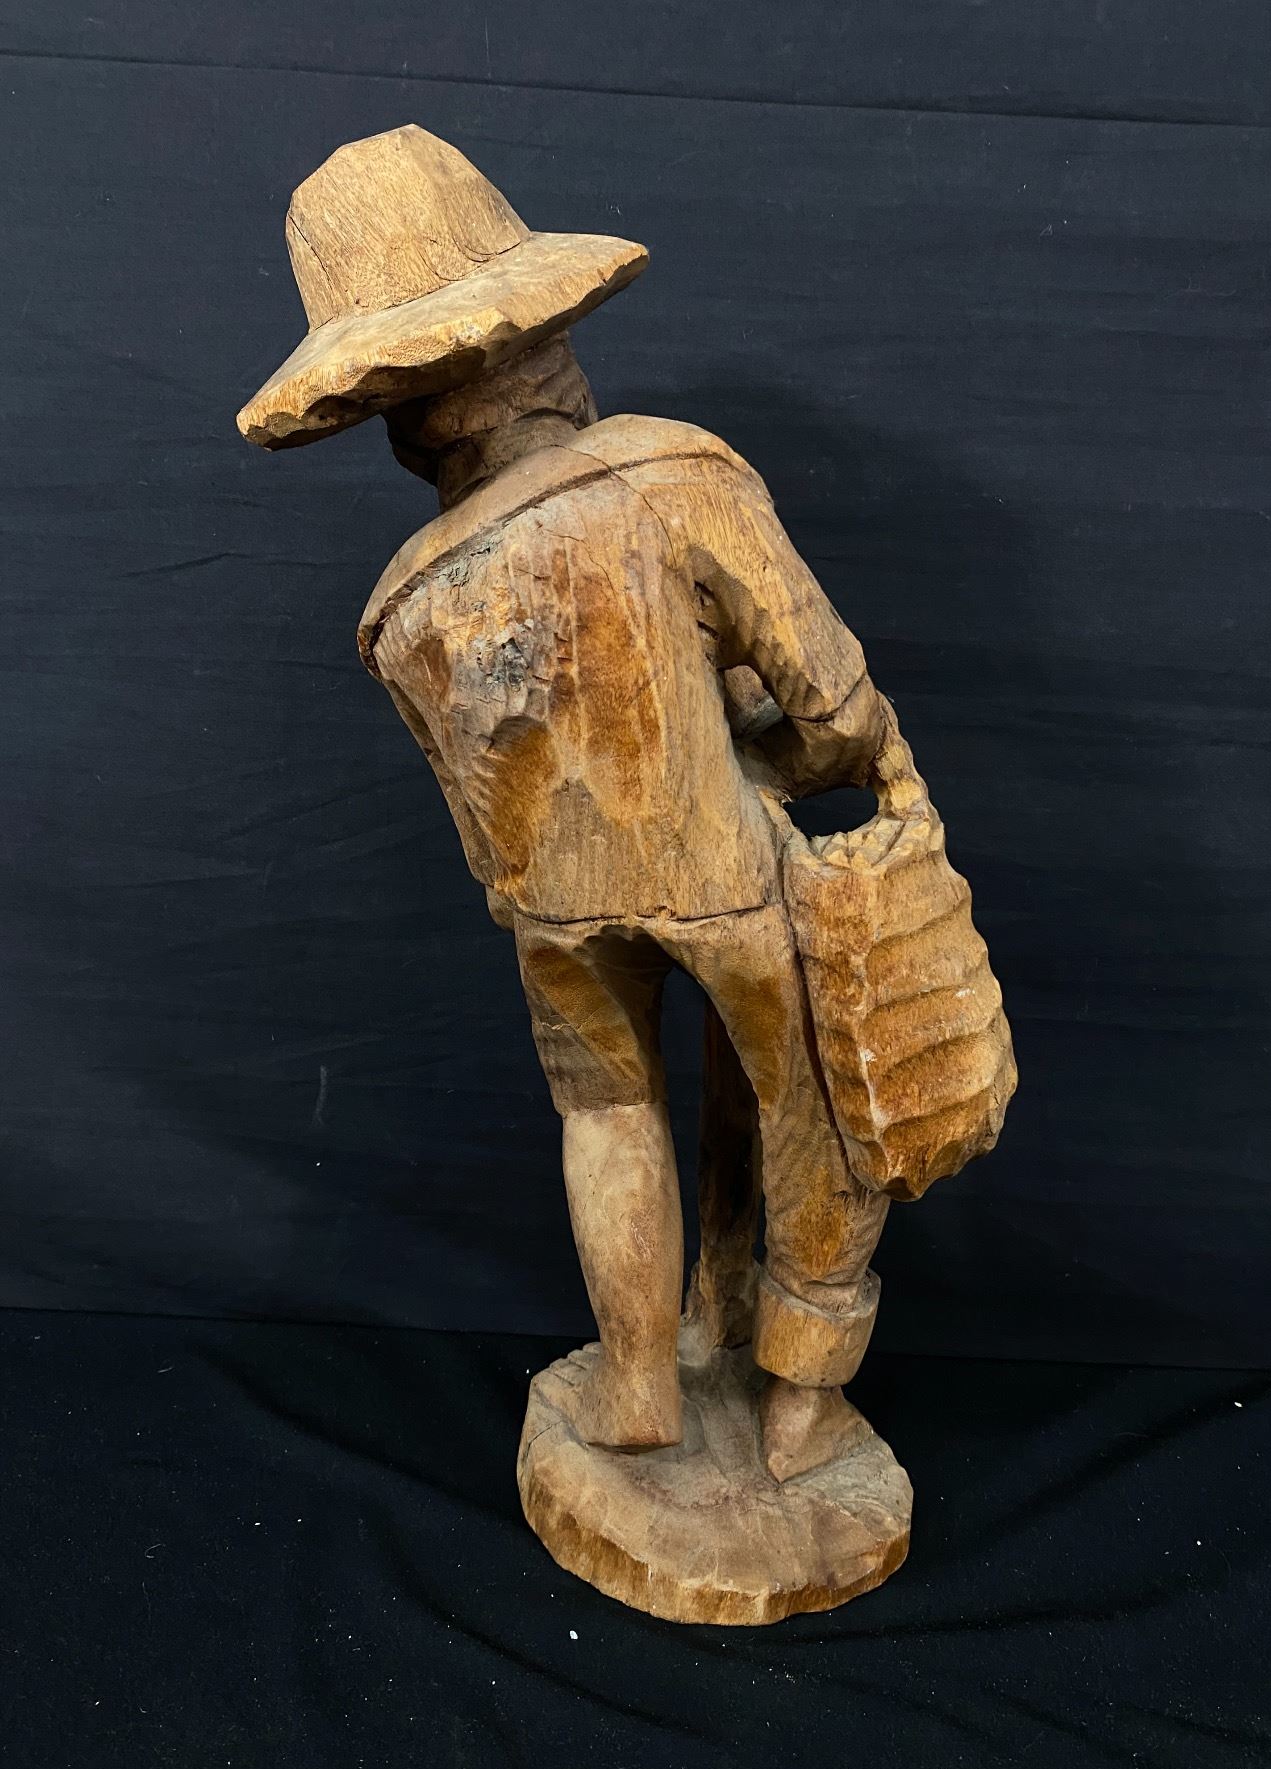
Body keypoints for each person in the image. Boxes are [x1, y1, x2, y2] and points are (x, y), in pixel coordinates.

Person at [239, 125, 900, 1482]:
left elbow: (481, 825)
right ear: (548, 344)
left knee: (603, 1113)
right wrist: (760, 768)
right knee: (815, 1111)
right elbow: (835, 706)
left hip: (552, 911)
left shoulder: (398, 609)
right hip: (724, 873)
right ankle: (803, 1405)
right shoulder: (673, 474)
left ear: (400, 422)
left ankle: (640, 1377)